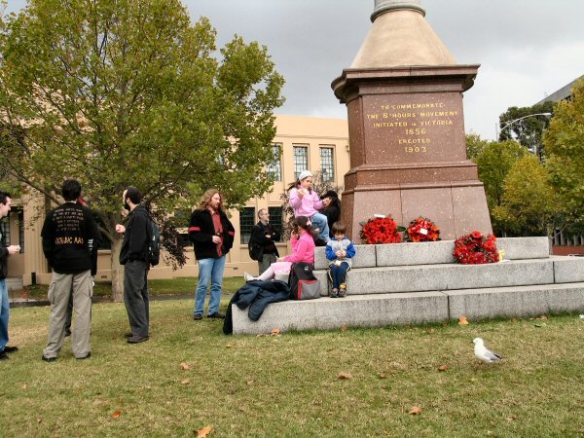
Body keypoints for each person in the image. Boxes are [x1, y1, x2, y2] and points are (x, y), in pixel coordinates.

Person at [41, 180, 98, 361]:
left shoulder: (53, 215)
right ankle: (81, 351)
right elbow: (94, 242)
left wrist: (54, 261)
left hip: (60, 267)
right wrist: (90, 263)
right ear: (79, 194)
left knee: (58, 309)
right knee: (82, 309)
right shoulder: (86, 214)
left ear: (62, 194)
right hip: (82, 266)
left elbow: (46, 244)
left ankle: (51, 352)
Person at [189, 189, 235, 320]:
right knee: (203, 284)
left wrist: (227, 245)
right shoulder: (198, 214)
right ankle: (198, 311)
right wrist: (210, 238)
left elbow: (231, 231)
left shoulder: (222, 215)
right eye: (216, 198)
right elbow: (193, 234)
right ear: (208, 199)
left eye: (219, 199)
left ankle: (213, 311)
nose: (218, 201)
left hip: (220, 254)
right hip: (205, 255)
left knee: (217, 284)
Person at [115, 187, 151, 344]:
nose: (123, 199)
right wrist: (125, 230)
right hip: (141, 261)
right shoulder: (141, 214)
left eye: (123, 196)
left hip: (135, 261)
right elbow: (137, 236)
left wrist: (128, 255)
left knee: (132, 295)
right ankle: (141, 328)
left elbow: (137, 243)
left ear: (128, 199)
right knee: (140, 294)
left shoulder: (138, 216)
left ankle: (140, 332)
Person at [244, 216, 315, 282]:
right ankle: (258, 280)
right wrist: (294, 240)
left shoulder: (304, 239)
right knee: (276, 267)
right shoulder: (306, 237)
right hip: (302, 265)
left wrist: (284, 259)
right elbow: (296, 254)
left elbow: (298, 257)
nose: (294, 228)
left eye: (295, 226)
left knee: (274, 266)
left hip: (301, 266)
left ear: (299, 227)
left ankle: (256, 280)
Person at [0, 192, 21, 361]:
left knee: (4, 313)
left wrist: (6, 249)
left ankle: (1, 345)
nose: (9, 208)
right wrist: (7, 250)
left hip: (1, 276)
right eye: (8, 204)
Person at [288, 170, 329, 243]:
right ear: (301, 181)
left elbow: (316, 205)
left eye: (310, 181)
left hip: (312, 214)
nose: (310, 183)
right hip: (302, 217)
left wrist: (323, 203)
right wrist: (299, 197)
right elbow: (294, 205)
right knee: (308, 233)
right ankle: (308, 242)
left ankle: (325, 239)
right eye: (307, 181)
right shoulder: (294, 191)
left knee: (324, 219)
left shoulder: (312, 193)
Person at [325, 222, 356, 298]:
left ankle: (342, 288)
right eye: (337, 234)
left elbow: (352, 252)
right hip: (334, 261)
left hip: (345, 261)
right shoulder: (330, 243)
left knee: (342, 269)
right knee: (334, 269)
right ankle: (334, 288)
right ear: (333, 233)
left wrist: (346, 253)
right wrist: (335, 254)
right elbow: (328, 254)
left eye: (341, 234)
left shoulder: (347, 242)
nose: (339, 236)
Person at [248, 208, 280, 274]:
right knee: (265, 276)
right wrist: (271, 236)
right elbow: (262, 240)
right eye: (265, 214)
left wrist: (270, 236)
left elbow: (278, 237)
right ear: (260, 216)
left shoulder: (270, 226)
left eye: (267, 214)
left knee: (274, 276)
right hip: (263, 255)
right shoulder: (256, 228)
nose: (268, 215)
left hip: (273, 254)